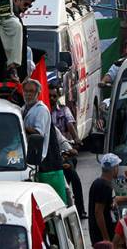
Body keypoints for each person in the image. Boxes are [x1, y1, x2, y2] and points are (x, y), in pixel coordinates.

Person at [22, 79, 68, 204]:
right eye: (26, 91)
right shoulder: (23, 109)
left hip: (45, 161)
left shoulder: (41, 110)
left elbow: (39, 133)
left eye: (31, 91)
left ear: (38, 93)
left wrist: (20, 127)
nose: (28, 94)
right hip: (29, 158)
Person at [50, 84, 85, 218]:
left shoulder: (63, 111)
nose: (52, 98)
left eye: (54, 96)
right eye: (50, 96)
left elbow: (70, 125)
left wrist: (76, 140)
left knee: (74, 177)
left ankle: (80, 210)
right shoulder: (43, 112)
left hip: (64, 152)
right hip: (48, 156)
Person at [90, 153, 126, 246]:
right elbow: (98, 213)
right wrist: (106, 238)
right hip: (103, 236)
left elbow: (112, 200)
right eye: (117, 166)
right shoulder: (104, 186)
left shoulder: (101, 183)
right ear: (114, 168)